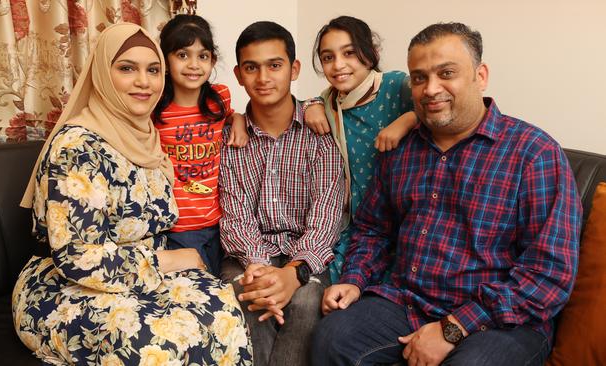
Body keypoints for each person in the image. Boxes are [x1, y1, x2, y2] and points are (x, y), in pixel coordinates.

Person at [312, 22, 582, 366]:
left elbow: (548, 274)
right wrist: (354, 280)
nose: (430, 88)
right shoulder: (400, 150)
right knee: (332, 338)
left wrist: (453, 327)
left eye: (446, 73)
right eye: (420, 77)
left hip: (503, 321)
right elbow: (372, 229)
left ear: (480, 76)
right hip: (407, 302)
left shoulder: (534, 153)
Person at [12, 23, 252, 365]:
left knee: (224, 311)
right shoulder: (77, 147)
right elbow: (75, 257)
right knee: (158, 345)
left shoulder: (145, 134)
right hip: (71, 287)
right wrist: (165, 260)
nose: (144, 81)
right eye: (127, 68)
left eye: (153, 70)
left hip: (145, 279)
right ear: (102, 75)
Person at [219, 21, 345, 366]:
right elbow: (235, 214)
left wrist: (293, 273)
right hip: (248, 255)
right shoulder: (232, 140)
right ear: (239, 74)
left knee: (305, 303)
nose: (263, 78)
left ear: (294, 69)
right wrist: (260, 269)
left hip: (304, 256)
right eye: (251, 67)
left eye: (274, 65)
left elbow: (326, 217)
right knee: (248, 294)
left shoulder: (320, 133)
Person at [303, 15, 417, 283]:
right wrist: (311, 105)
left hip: (402, 220)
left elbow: (440, 104)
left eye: (349, 53)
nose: (338, 65)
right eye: (328, 57)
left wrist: (408, 119)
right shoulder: (328, 101)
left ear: (371, 53)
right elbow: (295, 107)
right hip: (357, 225)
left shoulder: (395, 86)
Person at [153, 14, 249, 277]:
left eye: (202, 56)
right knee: (199, 291)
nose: (194, 65)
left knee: (224, 284)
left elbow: (232, 114)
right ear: (165, 61)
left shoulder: (219, 97)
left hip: (218, 221)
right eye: (183, 55)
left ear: (212, 61)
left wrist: (238, 120)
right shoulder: (156, 109)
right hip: (178, 226)